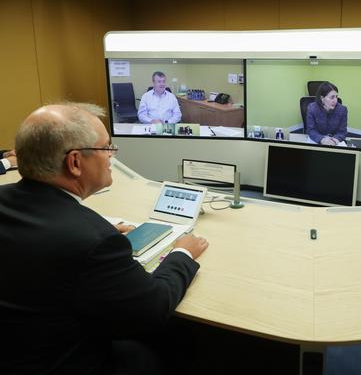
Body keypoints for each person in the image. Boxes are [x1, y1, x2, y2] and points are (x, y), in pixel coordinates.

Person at [0, 103, 209, 374]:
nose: (112, 155)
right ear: (75, 162)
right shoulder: (94, 240)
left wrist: (104, 233)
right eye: (106, 147)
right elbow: (152, 310)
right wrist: (182, 254)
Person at [306, 81, 348, 146]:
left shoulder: (342, 110)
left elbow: (342, 132)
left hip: (334, 141)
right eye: (332, 97)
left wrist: (334, 140)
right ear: (322, 98)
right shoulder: (312, 108)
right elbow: (311, 130)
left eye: (336, 97)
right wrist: (322, 139)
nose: (335, 101)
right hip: (317, 140)